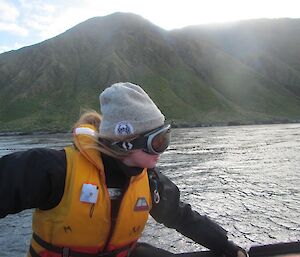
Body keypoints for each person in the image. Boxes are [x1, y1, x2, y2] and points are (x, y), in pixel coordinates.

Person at [0, 82, 247, 257]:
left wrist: (225, 246)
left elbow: (181, 216)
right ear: (126, 142)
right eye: (158, 141)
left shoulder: (149, 181)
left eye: (166, 138)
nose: (163, 150)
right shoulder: (54, 169)